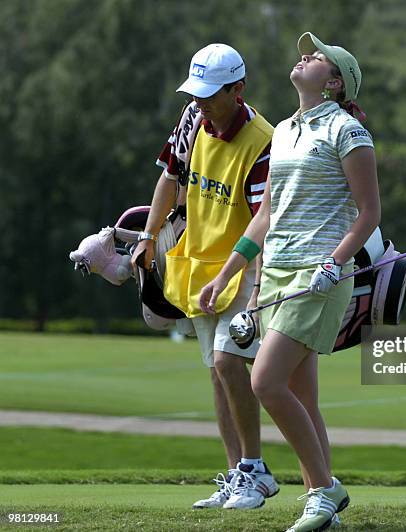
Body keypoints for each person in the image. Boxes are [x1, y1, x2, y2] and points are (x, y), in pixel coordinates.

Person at [199, 32, 380, 532]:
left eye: (317, 57)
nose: (304, 57)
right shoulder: (282, 130)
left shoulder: (348, 132)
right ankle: (322, 499)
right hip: (276, 272)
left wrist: (334, 262)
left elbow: (369, 213)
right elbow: (266, 216)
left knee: (264, 381)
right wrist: (228, 274)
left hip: (317, 275)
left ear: (336, 82)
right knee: (302, 397)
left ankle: (323, 492)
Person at [130, 43, 278, 510]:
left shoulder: (264, 140)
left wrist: (251, 282)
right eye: (196, 93)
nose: (201, 103)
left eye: (211, 95)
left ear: (238, 90)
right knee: (217, 373)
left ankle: (256, 472)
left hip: (241, 266)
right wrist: (148, 236)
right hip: (196, 264)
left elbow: (263, 220)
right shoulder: (191, 119)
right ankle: (236, 473)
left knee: (229, 362)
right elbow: (170, 179)